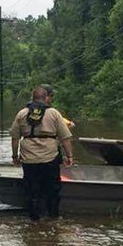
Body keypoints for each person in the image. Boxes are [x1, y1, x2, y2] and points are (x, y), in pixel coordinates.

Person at [10, 84, 74, 220]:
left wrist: (15, 156)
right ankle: (53, 219)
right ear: (45, 98)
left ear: (32, 98)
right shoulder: (54, 113)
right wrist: (69, 156)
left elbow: (15, 138)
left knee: (32, 192)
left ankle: (34, 221)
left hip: (29, 160)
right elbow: (65, 138)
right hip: (50, 159)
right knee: (53, 190)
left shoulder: (22, 113)